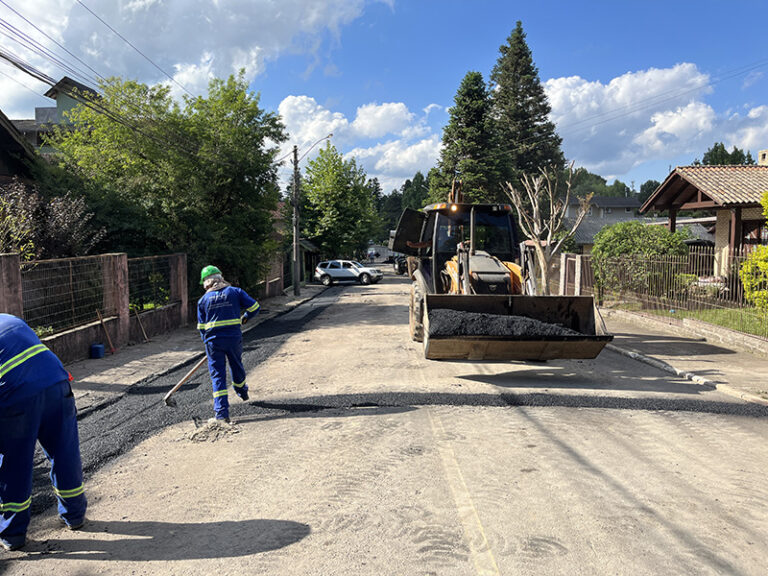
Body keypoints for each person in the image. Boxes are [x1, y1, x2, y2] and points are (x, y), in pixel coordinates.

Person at [0, 314, 87, 552]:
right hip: (57, 384)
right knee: (64, 451)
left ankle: (14, 534)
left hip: (16, 397)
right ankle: (75, 515)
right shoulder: (9, 319)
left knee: (14, 464)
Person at [197, 265, 260, 423]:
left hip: (214, 342)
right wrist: (245, 317)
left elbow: (202, 328)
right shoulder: (235, 292)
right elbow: (255, 307)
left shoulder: (203, 300)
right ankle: (242, 391)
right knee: (236, 366)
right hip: (233, 339)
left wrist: (208, 344)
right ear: (221, 277)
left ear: (206, 283)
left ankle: (221, 414)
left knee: (217, 376)